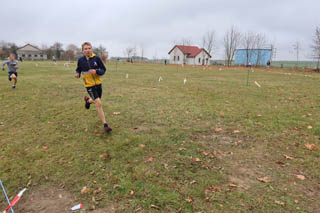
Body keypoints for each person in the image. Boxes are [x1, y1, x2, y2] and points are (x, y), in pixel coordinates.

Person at [75, 42, 112, 133]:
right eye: (86, 49)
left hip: (98, 84)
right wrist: (77, 73)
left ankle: (88, 101)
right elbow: (78, 69)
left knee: (96, 99)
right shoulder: (81, 60)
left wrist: (96, 71)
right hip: (89, 85)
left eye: (89, 48)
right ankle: (105, 125)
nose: (88, 50)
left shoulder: (97, 59)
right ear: (83, 50)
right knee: (98, 103)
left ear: (92, 49)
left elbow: (103, 70)